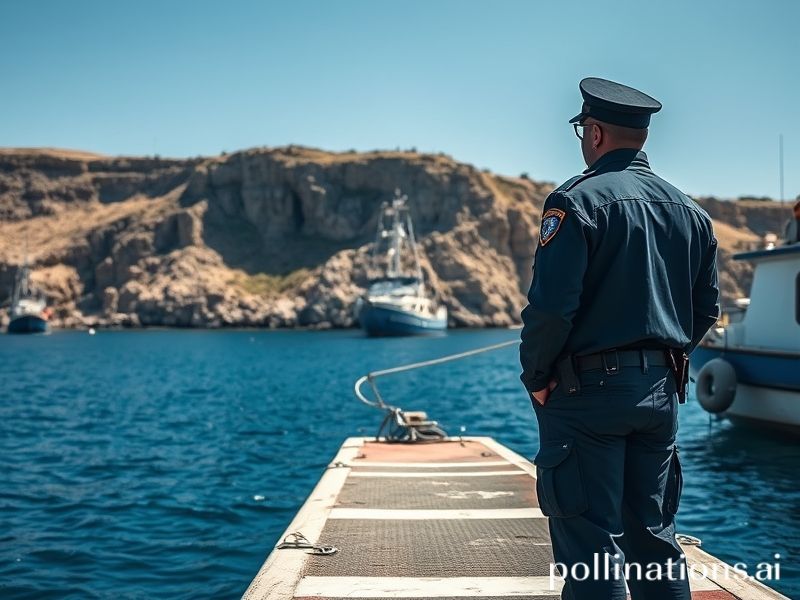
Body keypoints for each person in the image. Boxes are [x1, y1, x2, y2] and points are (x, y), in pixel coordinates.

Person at [519, 77, 720, 600]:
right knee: (655, 542)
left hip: (585, 397)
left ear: (597, 133)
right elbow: (707, 310)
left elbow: (550, 310)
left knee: (591, 551)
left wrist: (537, 377)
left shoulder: (576, 201)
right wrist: (662, 361)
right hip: (659, 398)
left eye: (583, 127)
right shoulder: (691, 213)